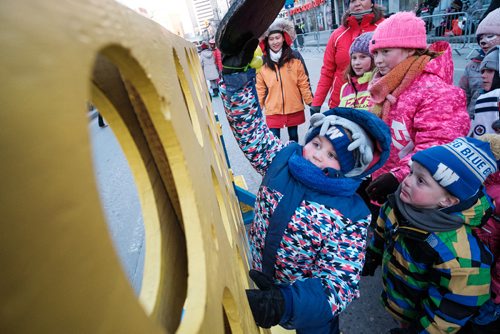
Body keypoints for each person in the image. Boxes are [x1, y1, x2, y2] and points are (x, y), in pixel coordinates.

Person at [216, 6, 392, 332]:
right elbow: (249, 129)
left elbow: (338, 283)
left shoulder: (351, 213)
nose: (318, 156)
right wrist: (237, 75)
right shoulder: (285, 160)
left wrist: (288, 303)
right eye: (317, 144)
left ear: (352, 170)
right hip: (260, 274)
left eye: (332, 155)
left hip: (305, 307)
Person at [362, 136, 498, 333]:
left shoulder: (460, 254)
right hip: (398, 295)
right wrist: (373, 253)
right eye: (410, 172)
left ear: (448, 201)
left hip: (420, 319)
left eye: (420, 180)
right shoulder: (396, 205)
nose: (406, 182)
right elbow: (383, 229)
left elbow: (457, 305)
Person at [364, 12, 470, 215]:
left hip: (415, 193)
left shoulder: (436, 90)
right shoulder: (386, 84)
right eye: (375, 53)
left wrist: (398, 176)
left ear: (410, 49)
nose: (377, 60)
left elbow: (438, 145)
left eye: (385, 51)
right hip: (383, 179)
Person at [310, 0, 384, 114]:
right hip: (340, 103)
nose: (357, 3)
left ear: (372, 2)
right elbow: (327, 71)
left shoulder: (384, 28)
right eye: (352, 1)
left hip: (376, 103)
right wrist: (316, 104)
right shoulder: (337, 35)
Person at [256, 18, 313, 143]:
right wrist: (258, 108)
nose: (275, 41)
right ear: (267, 41)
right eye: (271, 39)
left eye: (277, 38)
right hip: (273, 109)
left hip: (293, 107)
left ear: (283, 38)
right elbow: (260, 88)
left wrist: (311, 102)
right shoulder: (262, 62)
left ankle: (293, 160)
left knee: (293, 138)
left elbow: (303, 82)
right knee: (274, 141)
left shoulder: (294, 57)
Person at [458, 8, 500, 118]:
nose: (483, 41)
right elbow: (461, 97)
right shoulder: (472, 66)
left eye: (490, 36)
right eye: (480, 38)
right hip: (473, 122)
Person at [338, 32, 374, 110]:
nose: (356, 63)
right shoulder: (345, 87)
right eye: (354, 58)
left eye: (363, 57)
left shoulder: (380, 84)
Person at [470, 46, 500, 137]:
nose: (483, 75)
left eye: (490, 71)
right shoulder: (481, 95)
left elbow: (480, 139)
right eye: (483, 71)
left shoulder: (489, 98)